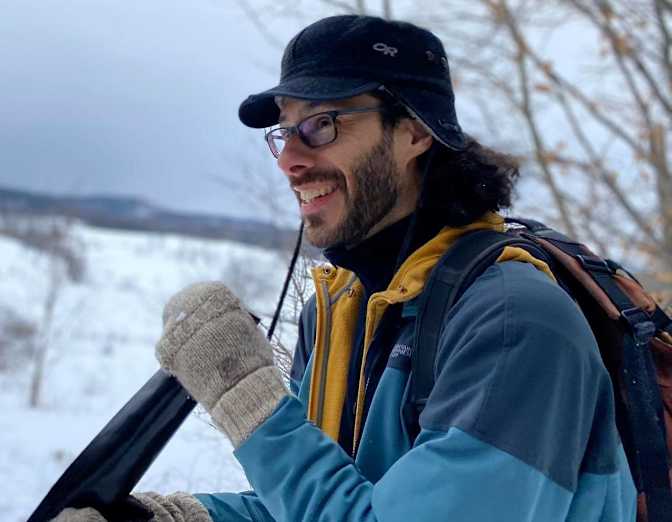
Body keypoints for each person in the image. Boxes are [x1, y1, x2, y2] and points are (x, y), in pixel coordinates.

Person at [55, 14, 637, 522]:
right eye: (285, 131)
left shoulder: (514, 322)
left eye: (322, 124)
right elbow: (318, 502)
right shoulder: (341, 313)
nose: (289, 159)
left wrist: (244, 397)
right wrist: (181, 518)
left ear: (414, 131)